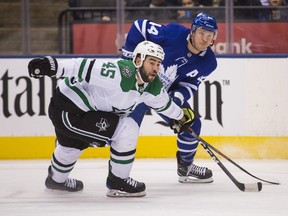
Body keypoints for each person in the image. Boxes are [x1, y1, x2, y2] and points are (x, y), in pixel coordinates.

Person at [28, 41, 194, 197]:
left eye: (158, 63)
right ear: (137, 60)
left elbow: (164, 104)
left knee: (71, 146)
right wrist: (52, 65)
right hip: (69, 112)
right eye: (151, 62)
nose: (156, 68)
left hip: (77, 112)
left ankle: (56, 181)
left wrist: (180, 117)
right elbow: (82, 66)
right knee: (127, 128)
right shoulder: (120, 72)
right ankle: (118, 182)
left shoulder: (152, 85)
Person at [121, 12, 218, 184]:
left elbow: (190, 85)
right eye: (202, 33)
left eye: (209, 35)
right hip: (140, 87)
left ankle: (185, 167)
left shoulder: (209, 62)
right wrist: (128, 60)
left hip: (162, 96)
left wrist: (177, 100)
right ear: (193, 31)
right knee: (127, 130)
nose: (205, 39)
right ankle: (118, 179)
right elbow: (139, 26)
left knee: (192, 123)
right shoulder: (173, 33)